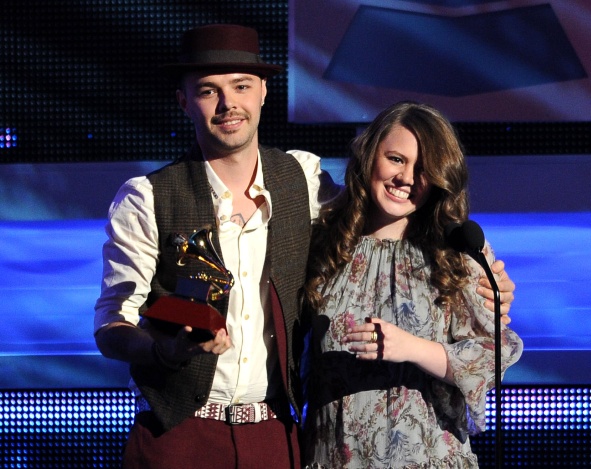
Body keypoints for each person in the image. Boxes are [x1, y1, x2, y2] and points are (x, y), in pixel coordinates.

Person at [93, 25, 517, 469]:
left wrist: (493, 285)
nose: (228, 103)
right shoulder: (151, 198)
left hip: (276, 434)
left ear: (263, 92)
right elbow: (113, 322)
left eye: (241, 86)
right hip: (186, 432)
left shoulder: (303, 181)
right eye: (208, 90)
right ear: (183, 101)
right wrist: (163, 351)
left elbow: (492, 346)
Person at [301, 101, 524, 468]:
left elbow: (491, 355)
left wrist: (411, 348)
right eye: (396, 159)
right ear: (370, 154)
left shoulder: (455, 250)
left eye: (423, 169)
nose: (406, 178)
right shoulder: (325, 241)